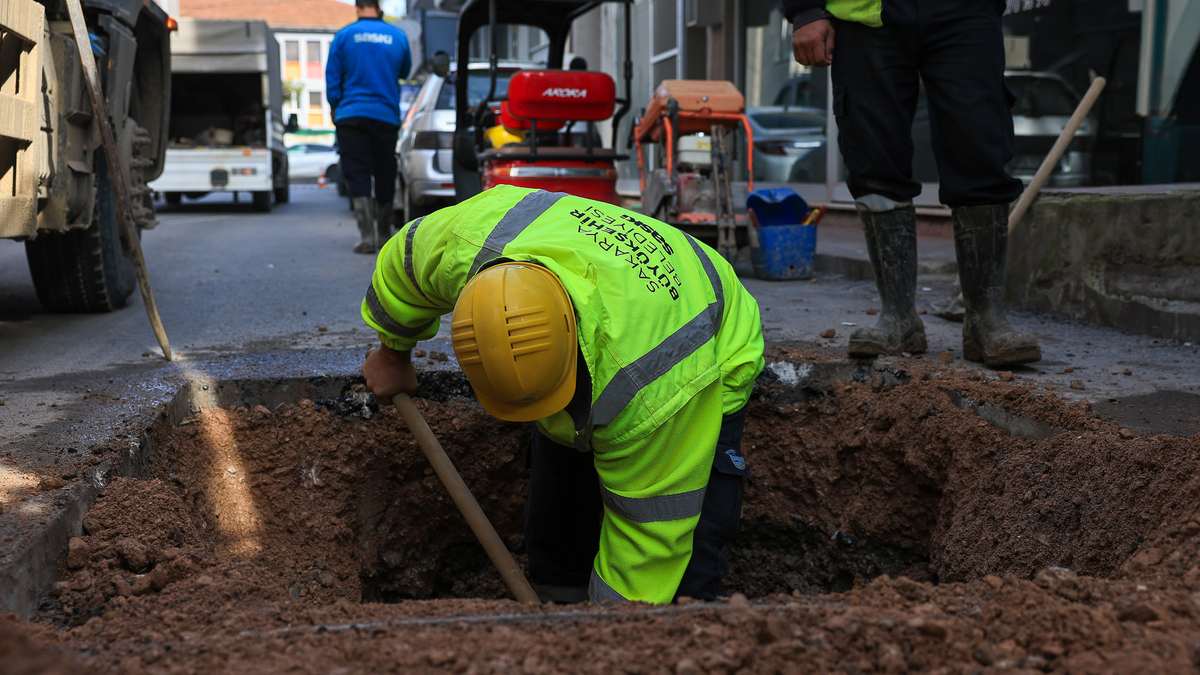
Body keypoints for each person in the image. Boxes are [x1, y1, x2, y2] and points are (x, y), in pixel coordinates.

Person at [359, 185, 765, 604]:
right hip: (620, 303)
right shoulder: (464, 243)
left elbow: (649, 541)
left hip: (712, 345)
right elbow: (402, 265)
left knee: (684, 572)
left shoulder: (655, 387)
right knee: (559, 535)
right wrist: (394, 353)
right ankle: (561, 594)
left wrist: (609, 635)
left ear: (570, 346)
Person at [785, 0, 1041, 367]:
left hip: (964, 12)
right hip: (866, 11)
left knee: (979, 146)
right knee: (872, 156)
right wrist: (805, 8)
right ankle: (898, 316)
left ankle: (985, 319)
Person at [326, 0, 412, 254]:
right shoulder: (397, 36)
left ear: (357, 7)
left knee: (357, 172)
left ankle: (367, 237)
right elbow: (405, 71)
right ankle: (385, 234)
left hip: (351, 115)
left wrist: (336, 105)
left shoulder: (344, 35)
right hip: (385, 115)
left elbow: (333, 78)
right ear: (379, 7)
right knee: (385, 171)